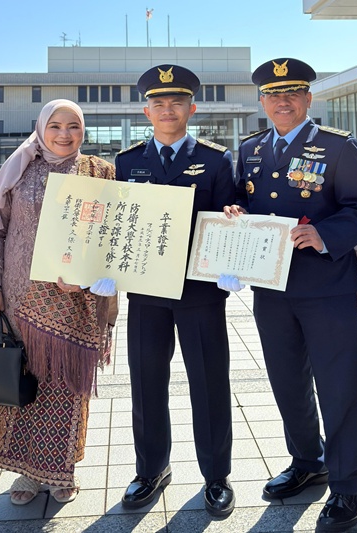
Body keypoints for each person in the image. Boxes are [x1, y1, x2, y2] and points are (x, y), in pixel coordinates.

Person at [223, 57, 357, 532]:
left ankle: (351, 485)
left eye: (292, 93)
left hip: (326, 287)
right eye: (273, 94)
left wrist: (325, 235)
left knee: (339, 385)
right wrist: (234, 211)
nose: (282, 101)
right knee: (287, 381)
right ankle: (309, 461)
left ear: (308, 98)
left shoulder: (336, 146)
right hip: (272, 288)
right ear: (262, 101)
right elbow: (245, 200)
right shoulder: (251, 148)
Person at [0, 99, 117, 506]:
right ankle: (25, 471)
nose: (64, 134)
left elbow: (114, 234)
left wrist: (90, 278)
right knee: (22, 380)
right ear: (41, 128)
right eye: (55, 125)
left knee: (67, 384)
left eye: (73, 126)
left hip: (77, 301)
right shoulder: (19, 170)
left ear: (83, 130)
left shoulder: (100, 172)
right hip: (19, 296)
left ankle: (62, 469)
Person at [115, 64, 236, 517]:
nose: (168, 110)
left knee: (209, 382)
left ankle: (217, 475)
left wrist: (234, 244)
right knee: (146, 382)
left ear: (192, 108)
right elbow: (116, 222)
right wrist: (105, 270)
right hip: (146, 293)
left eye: (177, 102)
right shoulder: (126, 162)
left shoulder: (217, 159)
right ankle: (151, 470)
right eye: (159, 103)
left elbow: (231, 211)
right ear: (146, 111)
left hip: (200, 292)